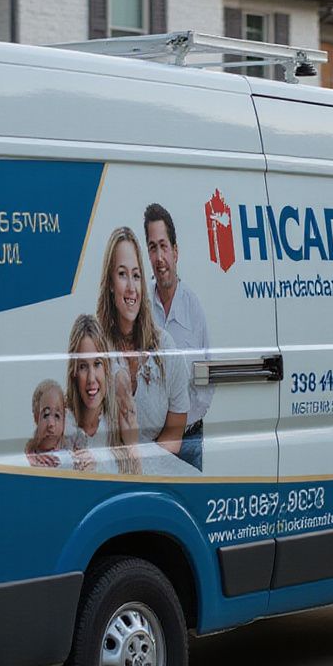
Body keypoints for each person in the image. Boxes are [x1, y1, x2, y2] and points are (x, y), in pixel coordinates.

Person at [96, 226, 190, 457]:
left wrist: (144, 468)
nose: (131, 288)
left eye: (136, 275)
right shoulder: (94, 346)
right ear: (109, 283)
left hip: (155, 474)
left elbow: (174, 433)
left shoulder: (165, 347)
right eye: (121, 274)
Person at [144, 202, 213, 471]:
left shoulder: (193, 308)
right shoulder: (140, 308)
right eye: (153, 247)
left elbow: (206, 381)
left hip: (189, 441)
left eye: (164, 246)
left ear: (175, 251)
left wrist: (176, 427)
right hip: (148, 442)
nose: (160, 257)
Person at [65, 313, 140, 475]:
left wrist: (98, 463)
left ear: (106, 367)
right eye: (83, 366)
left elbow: (137, 472)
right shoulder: (63, 420)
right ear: (74, 372)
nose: (92, 379)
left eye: (97, 364)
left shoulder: (120, 413)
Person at [24, 379, 68, 468]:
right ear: (36, 417)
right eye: (46, 415)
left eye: (57, 416)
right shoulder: (27, 457)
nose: (51, 424)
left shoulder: (71, 455)